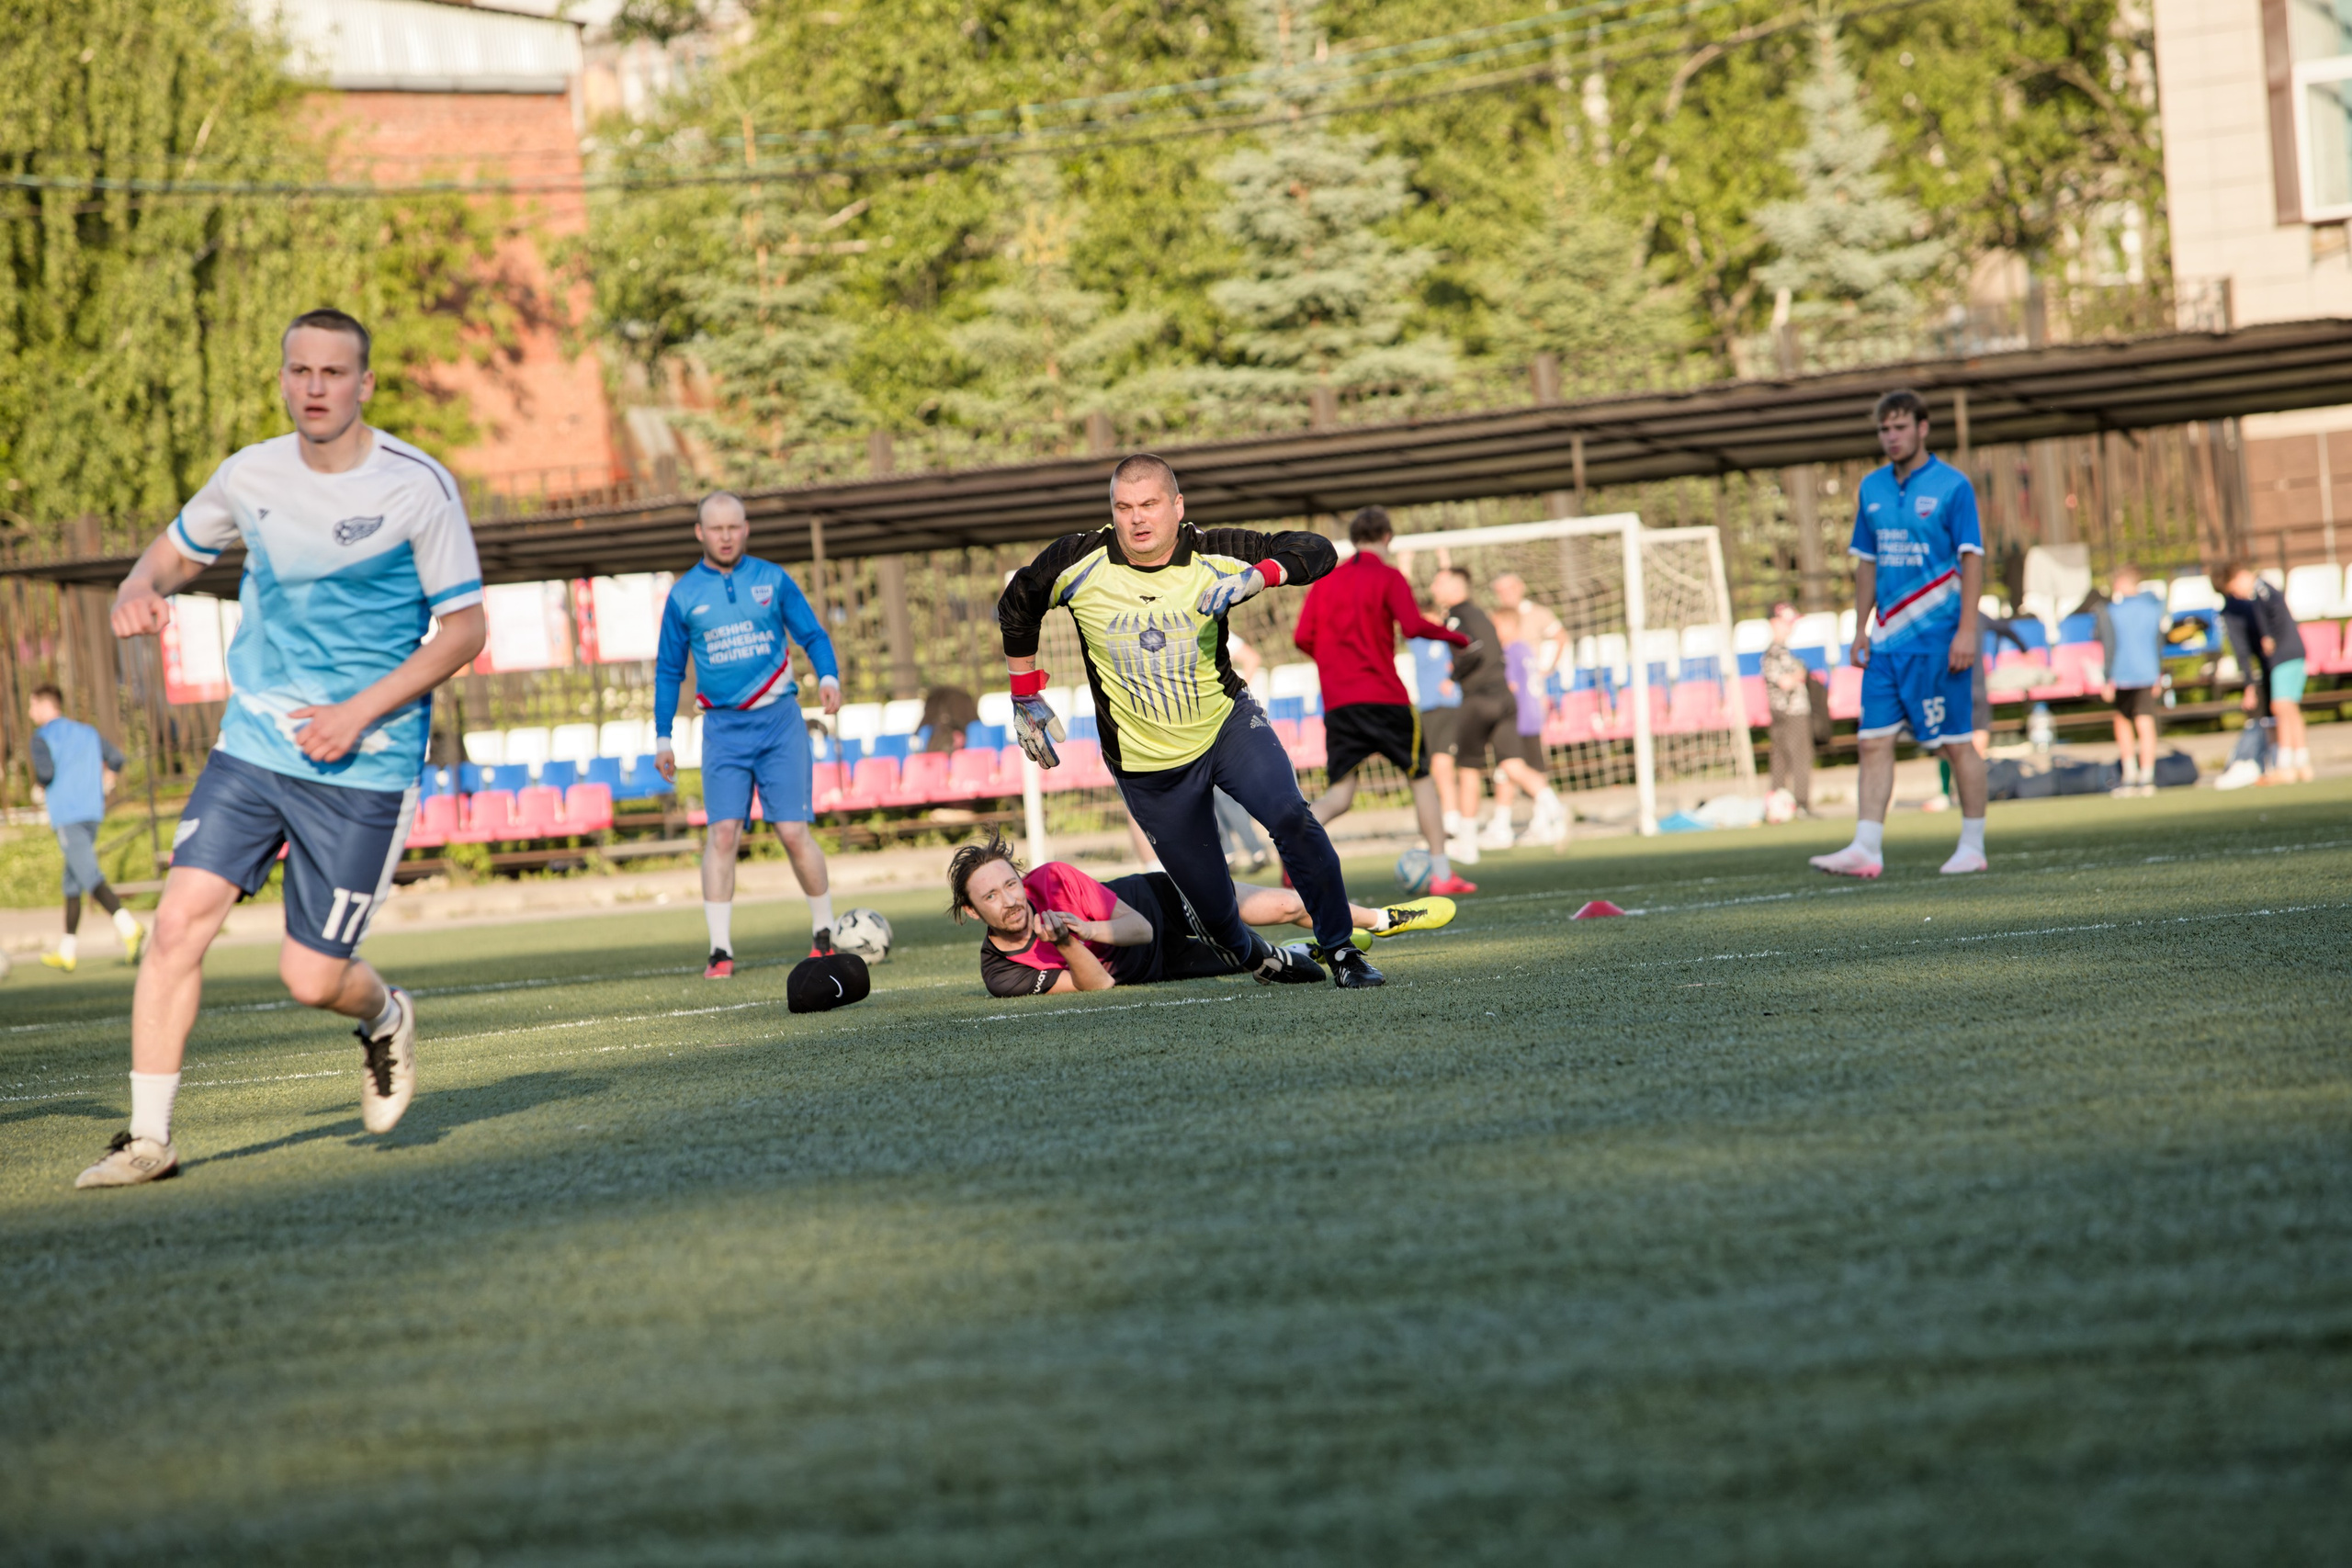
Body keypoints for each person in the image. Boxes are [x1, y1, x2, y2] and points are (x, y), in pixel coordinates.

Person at [78, 308, 489, 1188]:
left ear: (364, 383)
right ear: (282, 380)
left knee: (310, 976)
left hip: (364, 763)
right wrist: (137, 588)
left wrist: (355, 713)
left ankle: (385, 1016)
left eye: (333, 372)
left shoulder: (418, 485)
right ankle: (148, 1138)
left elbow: (464, 631)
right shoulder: (249, 473)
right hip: (255, 744)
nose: (315, 387)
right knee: (176, 924)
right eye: (300, 371)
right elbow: (172, 554)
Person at [997, 452, 1382, 987]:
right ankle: (1259, 957)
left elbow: (1317, 550)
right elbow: (1018, 603)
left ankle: (1341, 950)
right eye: (1124, 507)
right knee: (1216, 913)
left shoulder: (1214, 550)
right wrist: (1025, 695)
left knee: (1291, 815)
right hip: (1146, 764)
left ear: (1177, 506)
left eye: (1150, 504)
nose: (1137, 518)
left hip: (1227, 727)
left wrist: (1259, 577)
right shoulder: (1078, 560)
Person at [655, 492, 843, 978]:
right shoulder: (683, 595)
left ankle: (825, 933)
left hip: (780, 723)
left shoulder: (772, 579)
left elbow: (813, 635)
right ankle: (720, 950)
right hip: (722, 729)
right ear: (700, 532)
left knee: (793, 832)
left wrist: (828, 675)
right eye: (716, 528)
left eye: (734, 527)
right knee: (722, 834)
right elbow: (669, 670)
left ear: (746, 529)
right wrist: (662, 737)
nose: (725, 536)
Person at [1809, 389, 1989, 879]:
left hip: (1939, 642)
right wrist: (1860, 629)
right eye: (1884, 429)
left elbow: (1972, 559)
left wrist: (1967, 631)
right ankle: (1866, 848)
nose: (1891, 437)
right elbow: (1867, 563)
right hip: (1886, 644)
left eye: (1900, 427)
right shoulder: (1871, 488)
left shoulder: (1953, 486)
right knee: (1872, 741)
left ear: (1922, 428)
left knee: (1956, 743)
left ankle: (1972, 846)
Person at [947, 831, 1453, 998]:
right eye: (991, 896)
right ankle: (1318, 948)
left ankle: (1381, 919)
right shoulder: (1001, 972)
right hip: (1158, 968)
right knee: (1255, 962)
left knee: (1285, 904)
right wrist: (1066, 943)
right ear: (971, 911)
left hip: (1160, 902)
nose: (1010, 900)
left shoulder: (1053, 879)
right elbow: (1099, 986)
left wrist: (1087, 927)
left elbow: (1139, 928)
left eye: (1011, 884)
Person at [1289, 506, 1476, 896]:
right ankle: (1442, 875)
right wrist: (1456, 638)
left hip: (1340, 703)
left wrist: (1336, 665)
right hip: (1385, 698)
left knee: (1339, 796)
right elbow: (1412, 626)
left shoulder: (1326, 581)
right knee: (1420, 779)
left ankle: (1291, 849)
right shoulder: (1389, 576)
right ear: (1387, 538)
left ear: (1354, 539)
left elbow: (1302, 637)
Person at [1430, 568, 1566, 855]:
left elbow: (1474, 649)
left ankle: (1467, 844)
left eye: (1438, 583)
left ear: (1455, 588)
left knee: (1468, 770)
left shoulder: (1456, 616)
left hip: (1479, 699)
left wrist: (1453, 675)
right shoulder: (1482, 614)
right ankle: (1553, 806)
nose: (1433, 588)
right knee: (1512, 763)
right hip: (1505, 700)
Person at [28, 684, 147, 971]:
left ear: (45, 705)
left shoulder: (42, 737)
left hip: (67, 815)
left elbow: (46, 773)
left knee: (89, 875)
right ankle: (67, 950)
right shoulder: (87, 732)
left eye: (32, 706)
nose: (30, 713)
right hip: (92, 812)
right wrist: (108, 779)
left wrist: (38, 788)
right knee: (72, 882)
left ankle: (129, 926)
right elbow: (116, 758)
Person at [2215, 561, 2311, 784]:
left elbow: (2276, 612)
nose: (2237, 595)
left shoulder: (2261, 590)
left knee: (2280, 707)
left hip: (2284, 654)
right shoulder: (2262, 591)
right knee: (2290, 708)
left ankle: (2284, 765)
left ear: (2239, 576)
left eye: (2234, 589)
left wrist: (2270, 636)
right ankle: (2302, 762)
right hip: (2293, 652)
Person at [2095, 564, 2166, 797]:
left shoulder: (2111, 611)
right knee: (2144, 721)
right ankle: (2146, 776)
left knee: (2124, 721)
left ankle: (2131, 775)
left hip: (2123, 673)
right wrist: (2158, 672)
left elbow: (2109, 644)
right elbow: (2159, 642)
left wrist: (2107, 677)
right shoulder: (2154, 608)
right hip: (2148, 671)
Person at [1760, 601, 1813, 813]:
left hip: (1787, 711)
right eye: (1786, 622)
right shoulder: (1775, 653)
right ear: (1774, 623)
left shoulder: (1783, 651)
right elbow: (1786, 682)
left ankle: (1779, 801)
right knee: (1796, 755)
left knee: (1781, 756)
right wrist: (1800, 674)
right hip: (1791, 711)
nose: (1791, 627)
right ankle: (1800, 803)